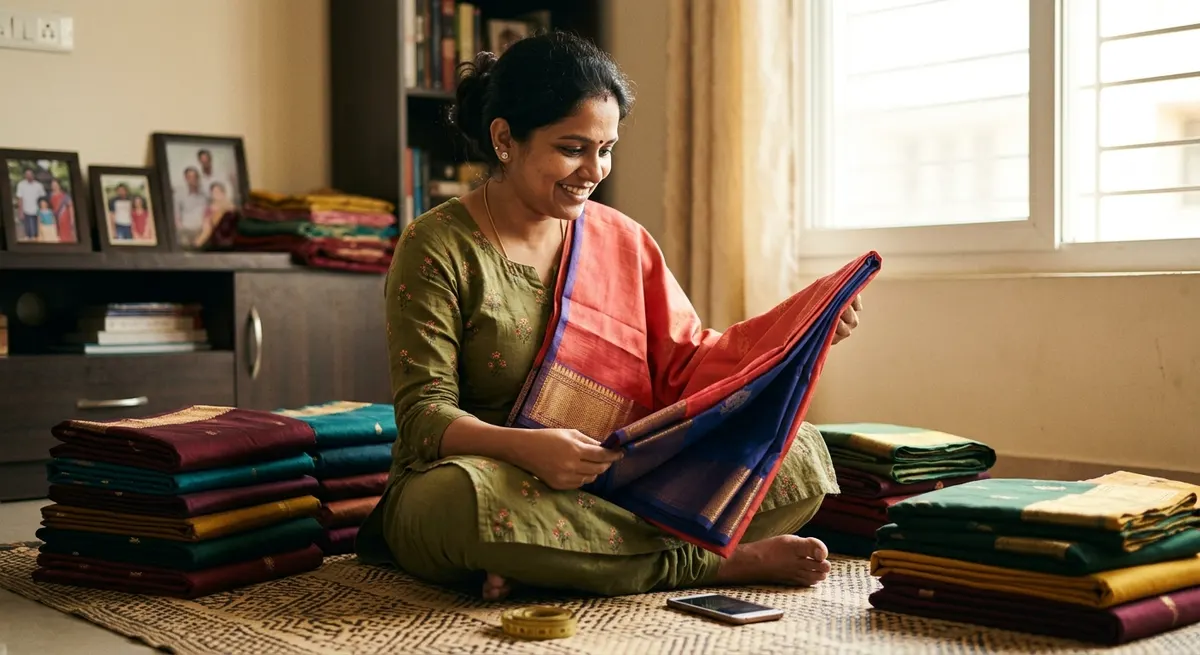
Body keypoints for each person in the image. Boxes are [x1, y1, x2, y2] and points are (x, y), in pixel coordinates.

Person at [354, 31, 865, 600]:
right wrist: (528, 449)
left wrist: (803, 333)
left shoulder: (620, 239)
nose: (594, 170)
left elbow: (690, 364)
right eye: (572, 148)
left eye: (606, 148)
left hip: (614, 475)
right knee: (467, 508)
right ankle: (710, 564)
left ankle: (559, 560)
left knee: (801, 455)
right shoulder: (437, 246)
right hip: (490, 472)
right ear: (504, 138)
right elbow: (424, 416)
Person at [14, 167, 45, 241]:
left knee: (36, 231)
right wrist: (20, 212)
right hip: (26, 210)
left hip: (37, 211)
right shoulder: (21, 185)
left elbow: (42, 198)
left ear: (33, 175)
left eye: (30, 174)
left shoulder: (38, 185)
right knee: (28, 231)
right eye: (27, 174)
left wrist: (42, 211)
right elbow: (20, 199)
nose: (29, 176)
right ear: (25, 175)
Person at [49, 178, 75, 243]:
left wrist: (72, 219)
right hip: (55, 217)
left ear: (59, 185)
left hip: (64, 216)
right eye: (52, 185)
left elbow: (70, 206)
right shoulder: (50, 195)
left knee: (66, 233)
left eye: (55, 184)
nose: (54, 186)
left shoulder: (64, 195)